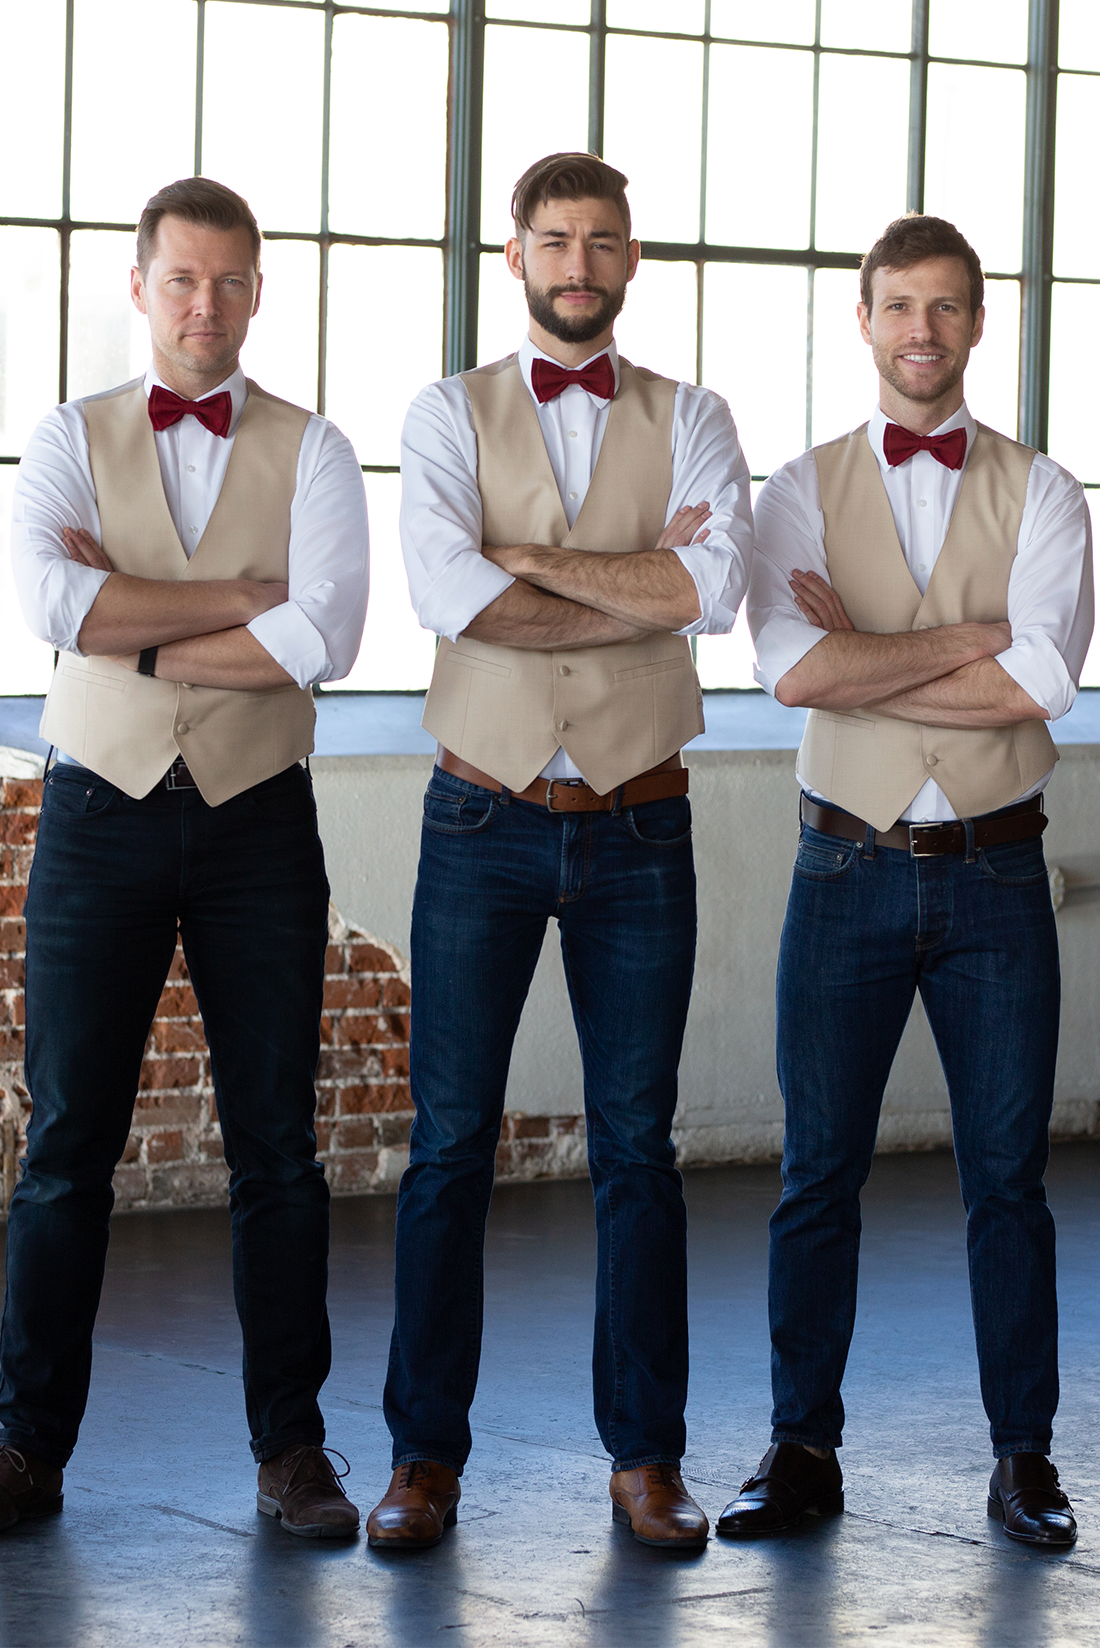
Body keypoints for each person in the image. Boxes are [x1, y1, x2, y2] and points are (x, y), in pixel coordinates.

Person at [365, 153, 753, 1550]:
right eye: (551, 239)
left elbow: (715, 590)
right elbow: (445, 591)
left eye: (599, 239)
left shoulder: (695, 413)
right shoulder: (446, 410)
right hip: (479, 815)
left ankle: (646, 1457)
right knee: (449, 1146)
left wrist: (534, 566)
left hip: (645, 820)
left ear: (633, 257)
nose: (576, 262)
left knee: (638, 1149)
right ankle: (423, 1461)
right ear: (514, 257)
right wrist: (635, 590)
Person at [0, 177, 369, 1539]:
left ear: (256, 291)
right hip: (97, 811)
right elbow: (47, 598)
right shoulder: (67, 436)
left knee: (277, 1144)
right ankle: (26, 1444)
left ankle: (293, 1452)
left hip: (259, 820)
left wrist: (129, 617)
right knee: (66, 1146)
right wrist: (229, 601)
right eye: (180, 281)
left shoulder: (314, 449)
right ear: (141, 287)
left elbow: (321, 635)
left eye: (229, 282)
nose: (204, 306)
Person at [723, 214, 1092, 1546]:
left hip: (999, 877)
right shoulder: (797, 489)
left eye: (945, 308)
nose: (922, 332)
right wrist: (968, 639)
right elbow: (790, 670)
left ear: (976, 323)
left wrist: (872, 644)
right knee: (816, 1170)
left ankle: (1025, 1459)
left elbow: (1044, 677)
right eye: (899, 308)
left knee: (1008, 1177)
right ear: (866, 321)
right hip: (845, 868)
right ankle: (798, 1446)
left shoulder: (1044, 492)